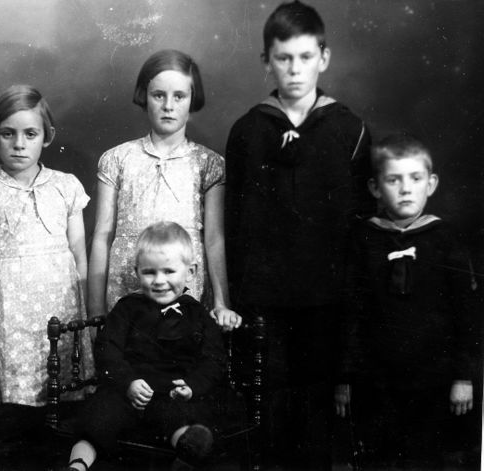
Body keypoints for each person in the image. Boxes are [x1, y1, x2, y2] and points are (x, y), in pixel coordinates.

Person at [224, 1, 372, 468]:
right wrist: (243, 295)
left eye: (305, 57)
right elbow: (234, 223)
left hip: (327, 299)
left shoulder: (349, 129)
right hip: (265, 301)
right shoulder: (248, 131)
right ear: (266, 60)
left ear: (323, 58)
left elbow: (362, 224)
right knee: (269, 410)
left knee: (318, 411)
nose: (294, 69)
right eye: (283, 58)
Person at [0, 85, 93, 459]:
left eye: (30, 134)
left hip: (62, 314)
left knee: (63, 414)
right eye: (8, 134)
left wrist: (86, 322)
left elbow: (79, 257)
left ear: (47, 136)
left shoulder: (66, 186)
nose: (19, 144)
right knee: (14, 423)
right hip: (10, 321)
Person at [339, 134, 478, 468]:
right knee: (377, 457)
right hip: (377, 378)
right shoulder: (364, 238)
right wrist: (345, 378)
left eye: (415, 179)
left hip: (433, 377)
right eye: (394, 180)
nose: (405, 189)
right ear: (375, 188)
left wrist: (463, 377)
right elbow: (350, 313)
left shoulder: (445, 239)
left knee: (426, 457)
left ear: (431, 184)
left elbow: (467, 314)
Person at [88, 49, 241, 331]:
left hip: (185, 293)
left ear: (192, 99)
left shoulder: (208, 163)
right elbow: (102, 236)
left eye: (179, 96)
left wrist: (221, 302)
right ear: (144, 97)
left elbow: (214, 239)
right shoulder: (117, 159)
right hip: (125, 292)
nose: (168, 106)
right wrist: (96, 313)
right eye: (159, 95)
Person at [62, 221, 227, 471]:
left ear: (190, 272)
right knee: (99, 415)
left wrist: (192, 386)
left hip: (172, 394)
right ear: (137, 272)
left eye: (169, 272)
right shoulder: (127, 308)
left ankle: (186, 450)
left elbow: (213, 359)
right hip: (126, 391)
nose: (159, 281)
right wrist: (128, 381)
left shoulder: (197, 314)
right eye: (150, 272)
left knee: (180, 416)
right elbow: (108, 350)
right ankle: (78, 464)